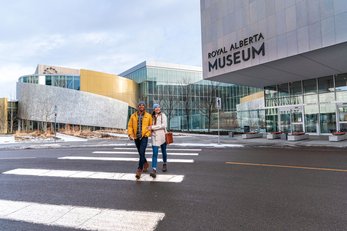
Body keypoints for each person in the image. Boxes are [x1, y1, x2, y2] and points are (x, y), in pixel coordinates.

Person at [127, 101, 153, 179]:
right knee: (140, 152)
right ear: (138, 107)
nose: (141, 106)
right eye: (140, 105)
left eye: (143, 105)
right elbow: (130, 126)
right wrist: (130, 134)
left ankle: (139, 169)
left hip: (144, 137)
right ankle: (145, 163)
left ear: (144, 107)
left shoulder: (148, 116)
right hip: (136, 137)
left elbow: (151, 126)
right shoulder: (133, 116)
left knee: (142, 152)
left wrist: (147, 134)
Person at [148, 103, 168, 178]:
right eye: (155, 107)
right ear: (154, 109)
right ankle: (154, 169)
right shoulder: (151, 116)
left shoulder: (163, 115)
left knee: (164, 151)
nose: (157, 108)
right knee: (155, 153)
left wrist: (153, 127)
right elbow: (149, 126)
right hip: (154, 137)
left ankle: (164, 163)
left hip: (162, 136)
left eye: (158, 107)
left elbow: (164, 125)